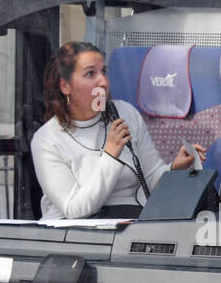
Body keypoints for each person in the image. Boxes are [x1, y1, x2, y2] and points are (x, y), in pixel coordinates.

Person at [31, 41, 205, 220]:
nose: (103, 82)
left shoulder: (124, 112)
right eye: (90, 73)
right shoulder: (47, 139)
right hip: (76, 233)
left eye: (103, 72)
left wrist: (174, 168)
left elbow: (150, 179)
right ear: (65, 86)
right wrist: (110, 156)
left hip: (128, 224)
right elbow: (74, 209)